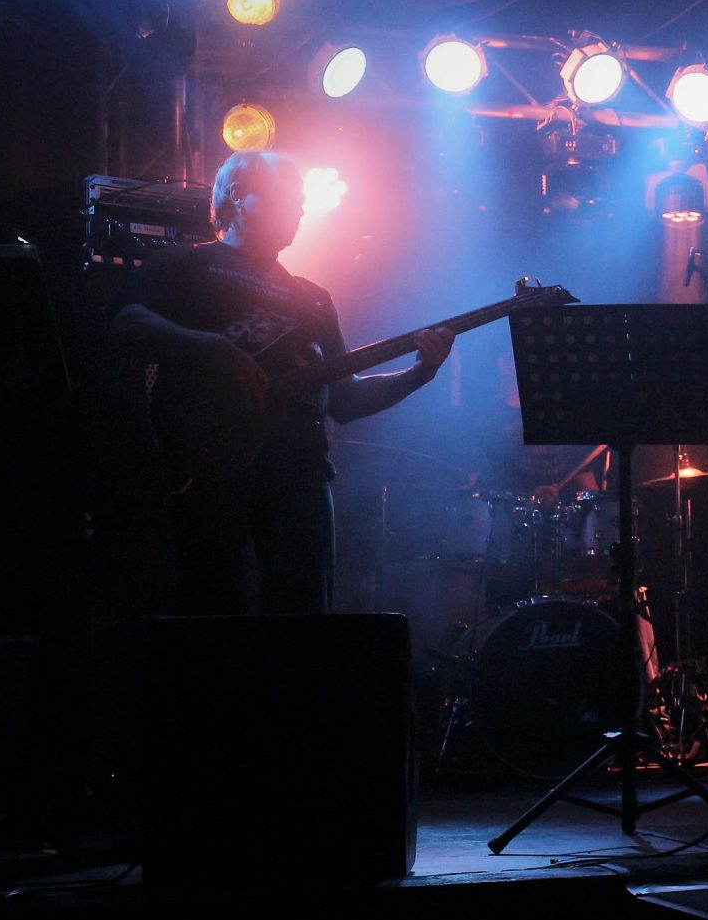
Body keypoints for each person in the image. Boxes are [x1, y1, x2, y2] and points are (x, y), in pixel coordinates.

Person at [114, 150, 454, 616]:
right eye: (285, 198)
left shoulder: (313, 298)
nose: (298, 211)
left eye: (300, 202)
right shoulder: (186, 265)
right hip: (210, 470)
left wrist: (419, 373)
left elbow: (346, 398)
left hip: (299, 477)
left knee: (303, 622)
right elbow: (126, 322)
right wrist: (208, 346)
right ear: (238, 195)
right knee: (210, 614)